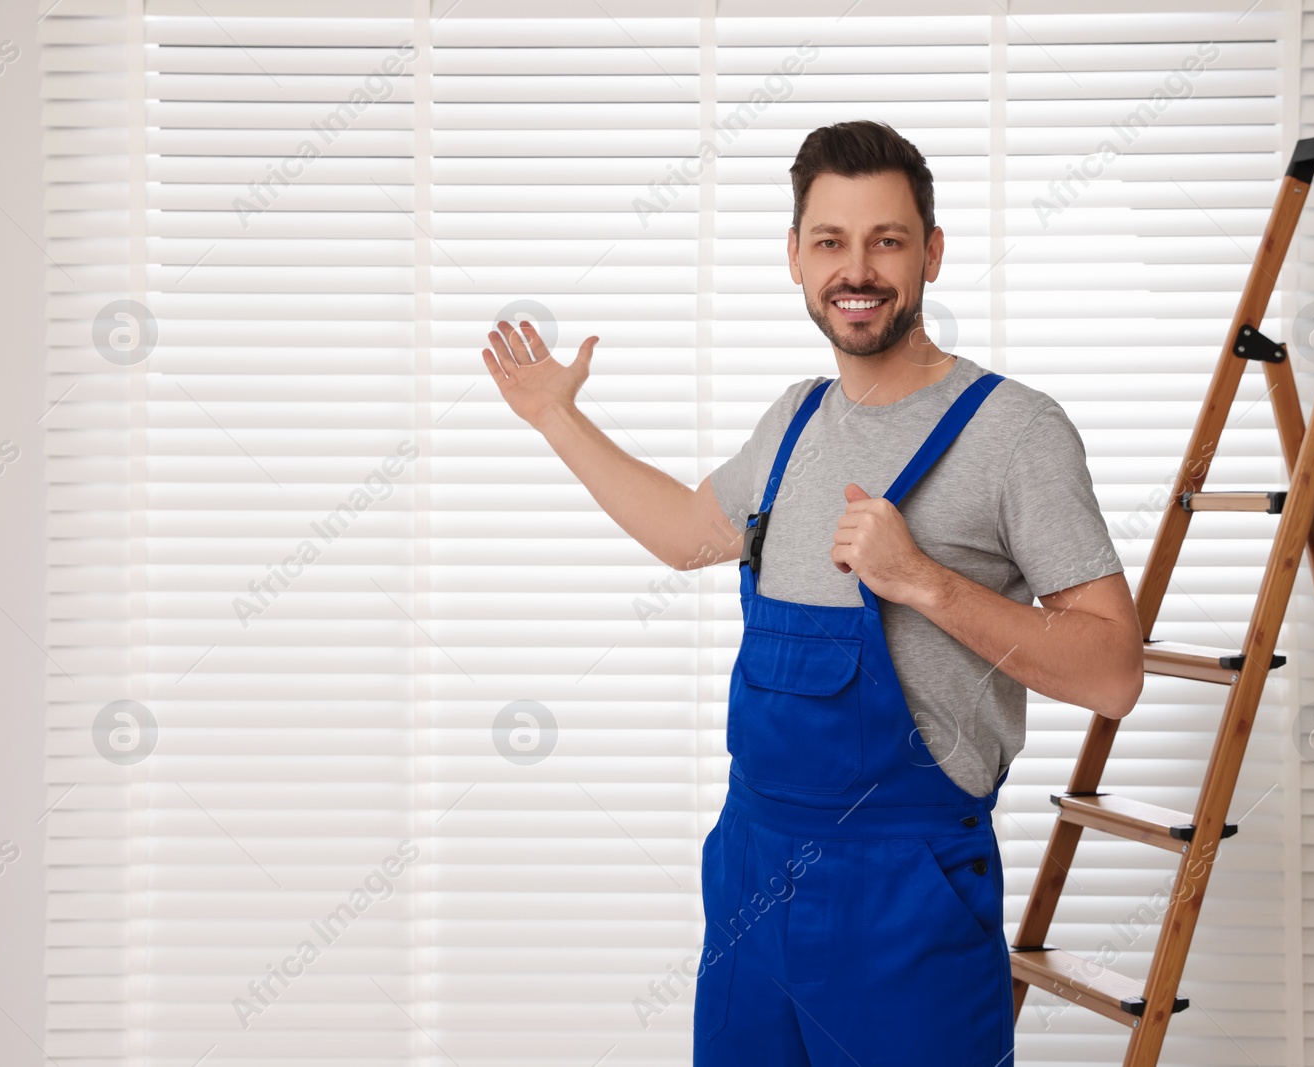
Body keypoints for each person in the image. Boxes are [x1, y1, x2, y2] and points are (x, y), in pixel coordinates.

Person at [480, 119, 1143, 1066]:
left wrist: (920, 579)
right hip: (754, 873)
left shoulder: (1016, 432)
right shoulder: (793, 421)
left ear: (933, 253)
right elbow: (685, 534)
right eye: (830, 241)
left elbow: (1114, 671)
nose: (857, 269)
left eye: (887, 239)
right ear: (795, 257)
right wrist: (556, 415)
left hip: (907, 897)